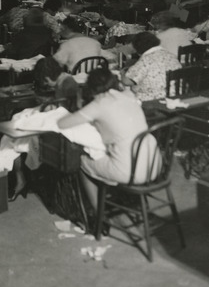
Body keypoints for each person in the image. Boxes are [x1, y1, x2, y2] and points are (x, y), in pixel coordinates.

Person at [57, 67, 152, 210]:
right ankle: (127, 198)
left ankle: (98, 215)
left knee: (82, 162)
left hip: (129, 172)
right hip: (153, 165)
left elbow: (62, 123)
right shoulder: (129, 96)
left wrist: (78, 102)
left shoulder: (99, 103)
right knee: (112, 152)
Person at [122, 31, 181, 101]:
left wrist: (122, 72)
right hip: (177, 95)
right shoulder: (170, 55)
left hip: (155, 99)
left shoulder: (145, 60)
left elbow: (126, 81)